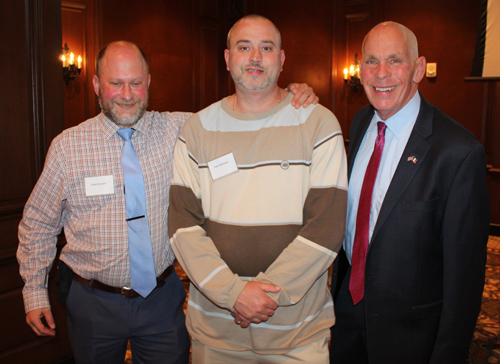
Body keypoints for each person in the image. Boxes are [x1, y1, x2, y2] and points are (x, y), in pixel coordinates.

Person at [17, 40, 318, 364]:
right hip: (94, 303)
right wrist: (34, 292)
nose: (127, 94)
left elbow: (240, 117)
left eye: (135, 83)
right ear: (96, 85)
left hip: (162, 299)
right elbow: (37, 224)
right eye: (115, 83)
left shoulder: (180, 129)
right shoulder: (68, 148)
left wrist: (287, 96)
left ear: (148, 83)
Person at [168, 14, 347, 363]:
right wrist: (234, 294)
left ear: (281, 60)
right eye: (244, 47)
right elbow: (183, 227)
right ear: (227, 58)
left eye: (266, 48)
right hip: (216, 334)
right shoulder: (197, 129)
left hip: (297, 335)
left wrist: (263, 297)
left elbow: (326, 228)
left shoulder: (318, 123)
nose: (255, 57)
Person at [329, 21, 490, 364]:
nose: (381, 73)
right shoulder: (359, 123)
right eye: (371, 61)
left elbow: (465, 280)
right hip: (345, 312)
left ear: (418, 69)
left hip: (410, 335)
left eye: (395, 61)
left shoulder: (458, 152)